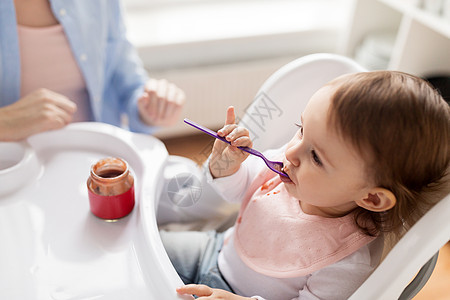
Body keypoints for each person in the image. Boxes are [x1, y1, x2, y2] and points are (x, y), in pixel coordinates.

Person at [160, 71, 450, 299]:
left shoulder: (346, 261)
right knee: (145, 248)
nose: (290, 153)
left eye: (315, 156)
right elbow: (236, 190)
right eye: (300, 130)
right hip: (214, 250)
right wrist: (226, 166)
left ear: (372, 199)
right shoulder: (290, 169)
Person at [0, 0, 185, 141]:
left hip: (98, 161)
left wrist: (152, 108)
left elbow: (129, 87)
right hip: (14, 172)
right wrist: (5, 122)